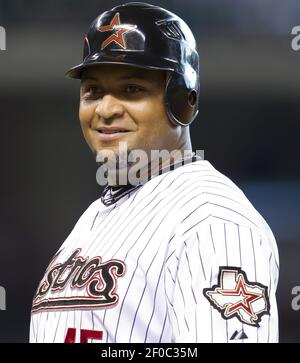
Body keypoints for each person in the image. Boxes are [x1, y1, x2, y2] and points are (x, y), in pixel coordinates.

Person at [30, 2, 279, 343]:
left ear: (183, 102)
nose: (106, 109)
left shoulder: (212, 221)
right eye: (93, 91)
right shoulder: (98, 215)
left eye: (132, 90)